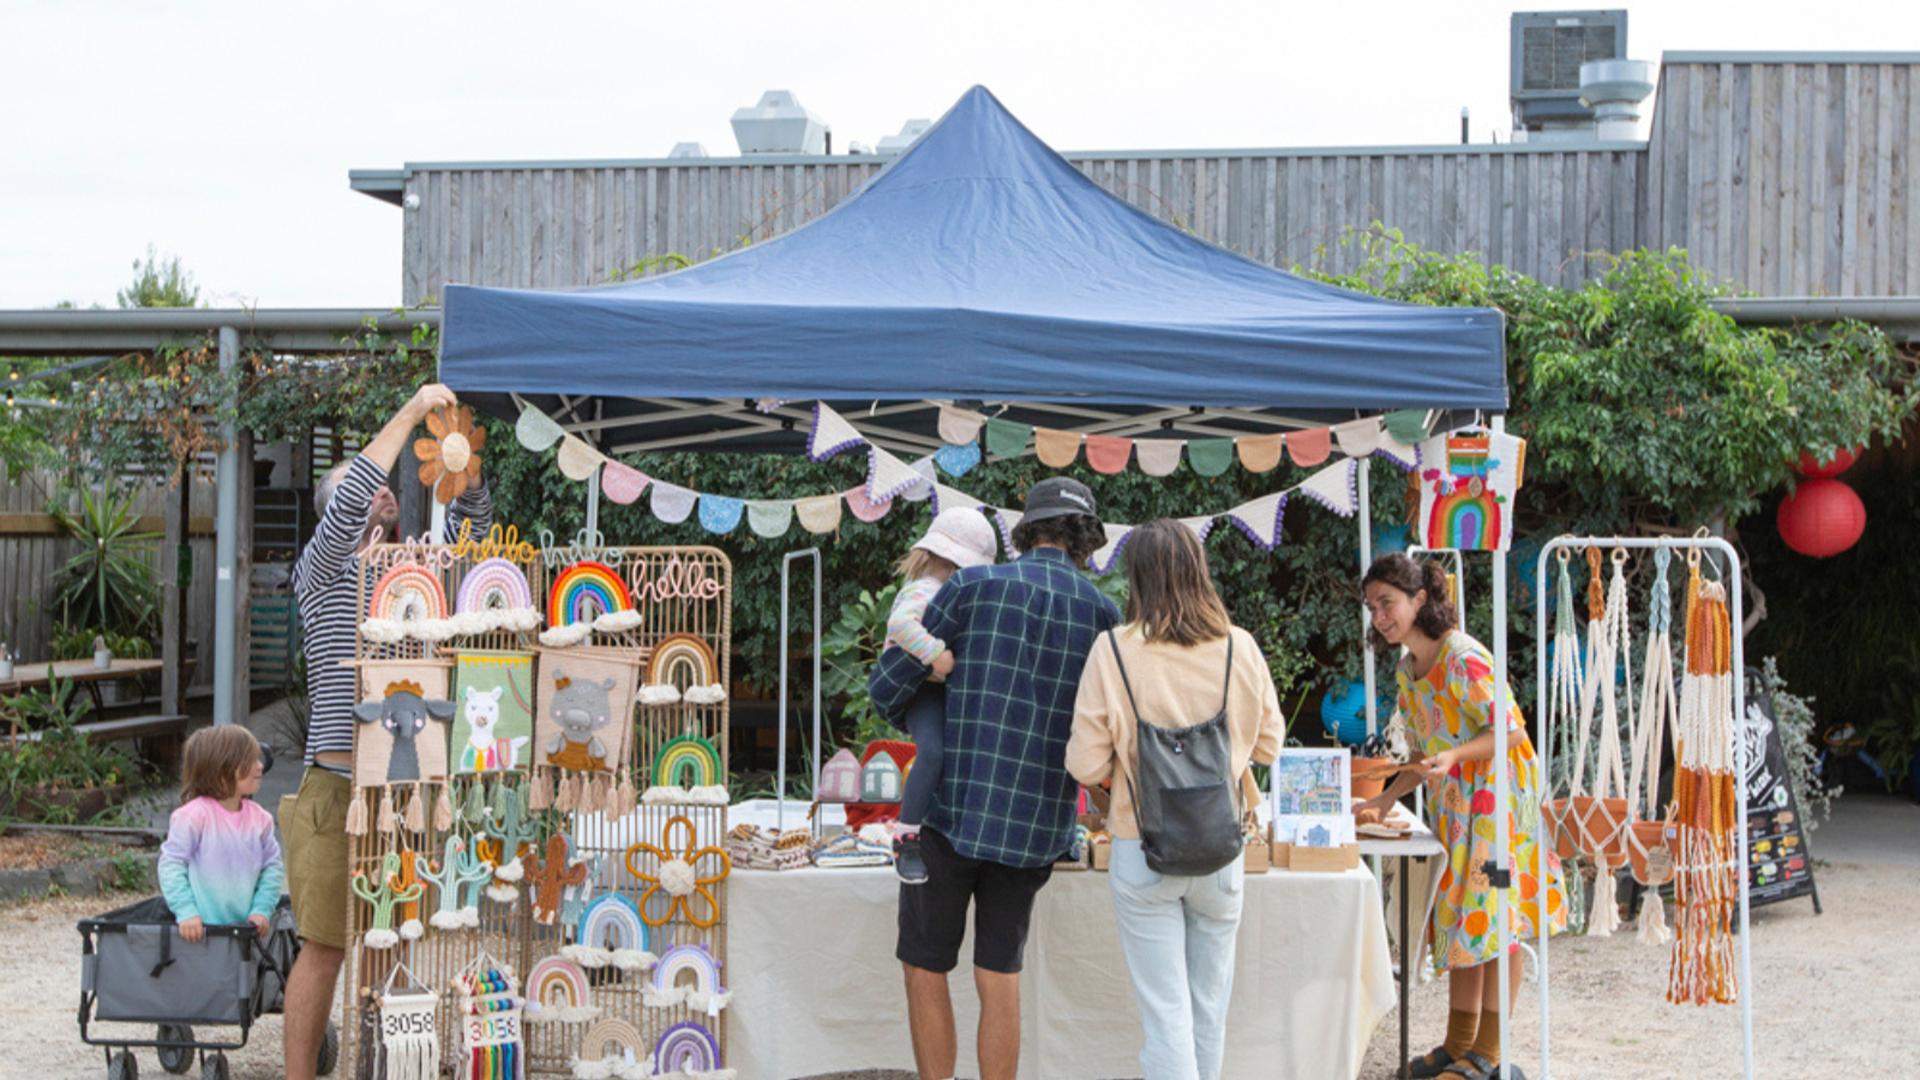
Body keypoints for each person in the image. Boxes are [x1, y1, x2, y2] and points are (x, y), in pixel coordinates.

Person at [869, 476, 1120, 1080]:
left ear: (1025, 531)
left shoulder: (971, 584)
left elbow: (887, 686)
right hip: (1036, 824)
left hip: (948, 813)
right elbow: (1105, 726)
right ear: (1086, 541)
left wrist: (936, 682)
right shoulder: (1104, 614)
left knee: (927, 965)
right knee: (998, 973)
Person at [281, 383, 492, 1080]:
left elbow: (477, 543)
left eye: (383, 491)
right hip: (336, 786)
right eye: (363, 490)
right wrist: (408, 413)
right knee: (325, 946)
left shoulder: (416, 575)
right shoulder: (320, 572)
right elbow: (349, 502)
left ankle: (380, 1067)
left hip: (404, 788)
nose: (380, 496)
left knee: (390, 940)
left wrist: (461, 461)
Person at [1064, 519, 1284, 1080]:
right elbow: (1269, 744)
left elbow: (1085, 763)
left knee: (1166, 1017)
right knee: (1209, 1009)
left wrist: (1127, 767)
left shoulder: (1111, 650)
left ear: (1136, 577)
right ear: (1198, 571)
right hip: (1221, 849)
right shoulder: (1241, 646)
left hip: (1144, 847)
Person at [1355, 553, 1566, 1080]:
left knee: (1498, 919)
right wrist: (1383, 799)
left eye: (1388, 603)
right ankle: (1458, 1044)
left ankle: (1489, 1054)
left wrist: (1455, 757)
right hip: (1459, 807)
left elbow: (1512, 731)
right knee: (1461, 919)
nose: (1380, 616)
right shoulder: (1408, 669)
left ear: (1419, 600)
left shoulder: (1461, 655)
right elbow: (1426, 755)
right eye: (1372, 607)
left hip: (1500, 809)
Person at [886, 506, 1000, 885]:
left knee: (951, 754)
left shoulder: (951, 593)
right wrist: (937, 653)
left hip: (937, 690)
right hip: (921, 690)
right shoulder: (925, 590)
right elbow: (900, 625)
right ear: (953, 566)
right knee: (933, 751)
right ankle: (906, 835)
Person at [158, 725, 284, 944]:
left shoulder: (261, 819)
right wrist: (186, 911)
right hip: (200, 934)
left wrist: (262, 909)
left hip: (247, 934)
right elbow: (171, 864)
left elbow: (272, 867)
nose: (260, 766)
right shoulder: (194, 816)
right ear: (222, 768)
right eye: (251, 760)